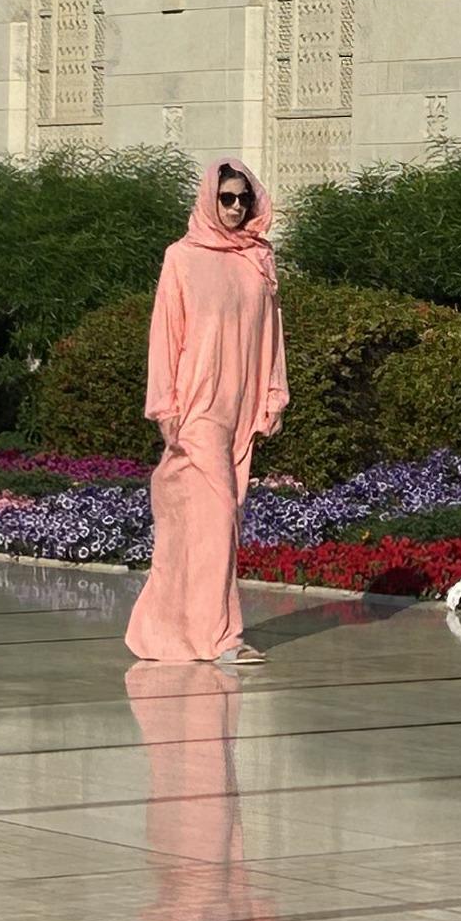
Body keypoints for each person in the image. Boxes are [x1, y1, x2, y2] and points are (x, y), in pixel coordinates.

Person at [127, 159, 287, 665]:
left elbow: (272, 333)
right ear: (208, 201)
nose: (237, 207)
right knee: (217, 517)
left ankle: (167, 630)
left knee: (215, 522)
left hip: (240, 408)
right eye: (227, 199)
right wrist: (166, 406)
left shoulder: (259, 258)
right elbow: (165, 333)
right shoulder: (182, 257)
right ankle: (222, 638)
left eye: (244, 198)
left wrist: (273, 394)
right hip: (197, 408)